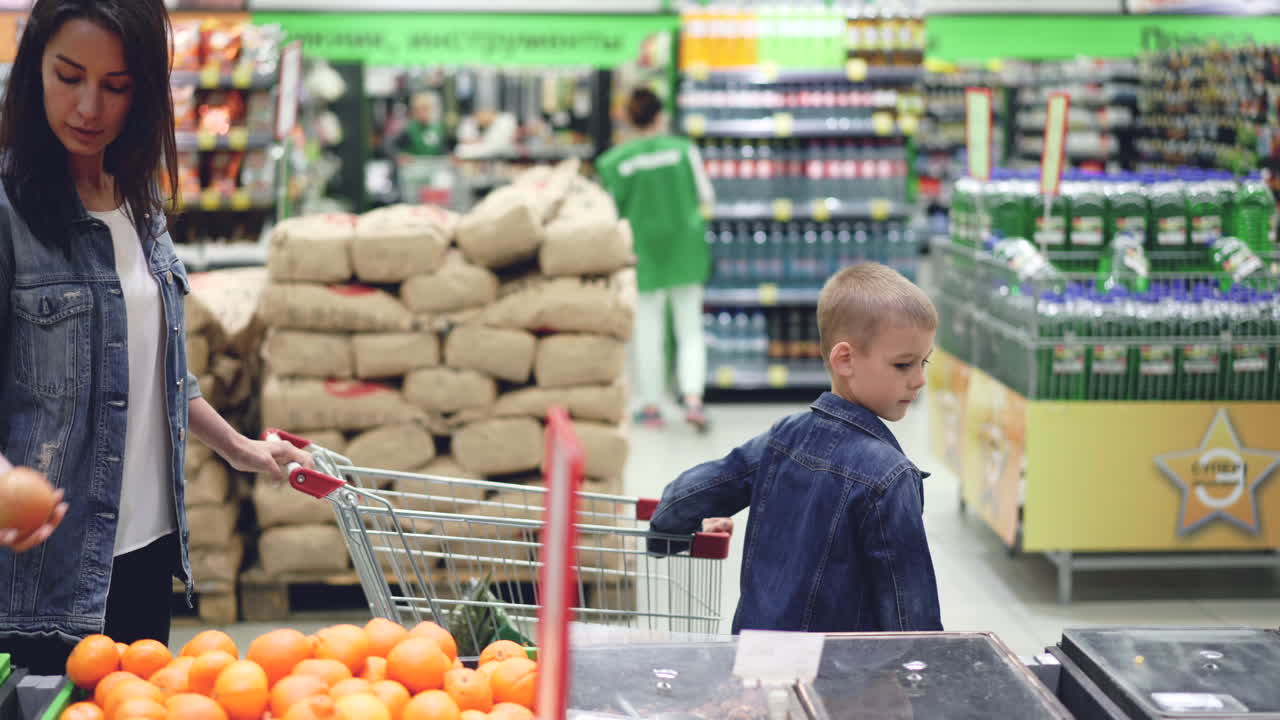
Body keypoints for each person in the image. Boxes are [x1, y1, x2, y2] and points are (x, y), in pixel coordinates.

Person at [0, 0, 312, 673]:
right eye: (68, 76)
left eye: (115, 86)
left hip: (145, 552)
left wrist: (243, 451)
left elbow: (158, 375)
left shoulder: (139, 199)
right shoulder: (9, 212)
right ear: (33, 74)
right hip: (44, 573)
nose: (89, 106)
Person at [649, 263, 943, 633]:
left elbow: (681, 499)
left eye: (924, 362)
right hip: (837, 682)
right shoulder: (889, 478)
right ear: (845, 360)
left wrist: (668, 537)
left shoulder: (781, 437)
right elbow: (910, 616)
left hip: (755, 663)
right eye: (903, 365)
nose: (919, 380)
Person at [596, 87, 715, 432]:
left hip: (641, 252)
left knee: (647, 330)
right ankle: (693, 399)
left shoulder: (614, 161)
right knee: (689, 328)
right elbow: (706, 195)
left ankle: (651, 406)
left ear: (629, 119)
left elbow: (610, 213)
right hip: (685, 248)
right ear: (661, 116)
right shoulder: (683, 151)